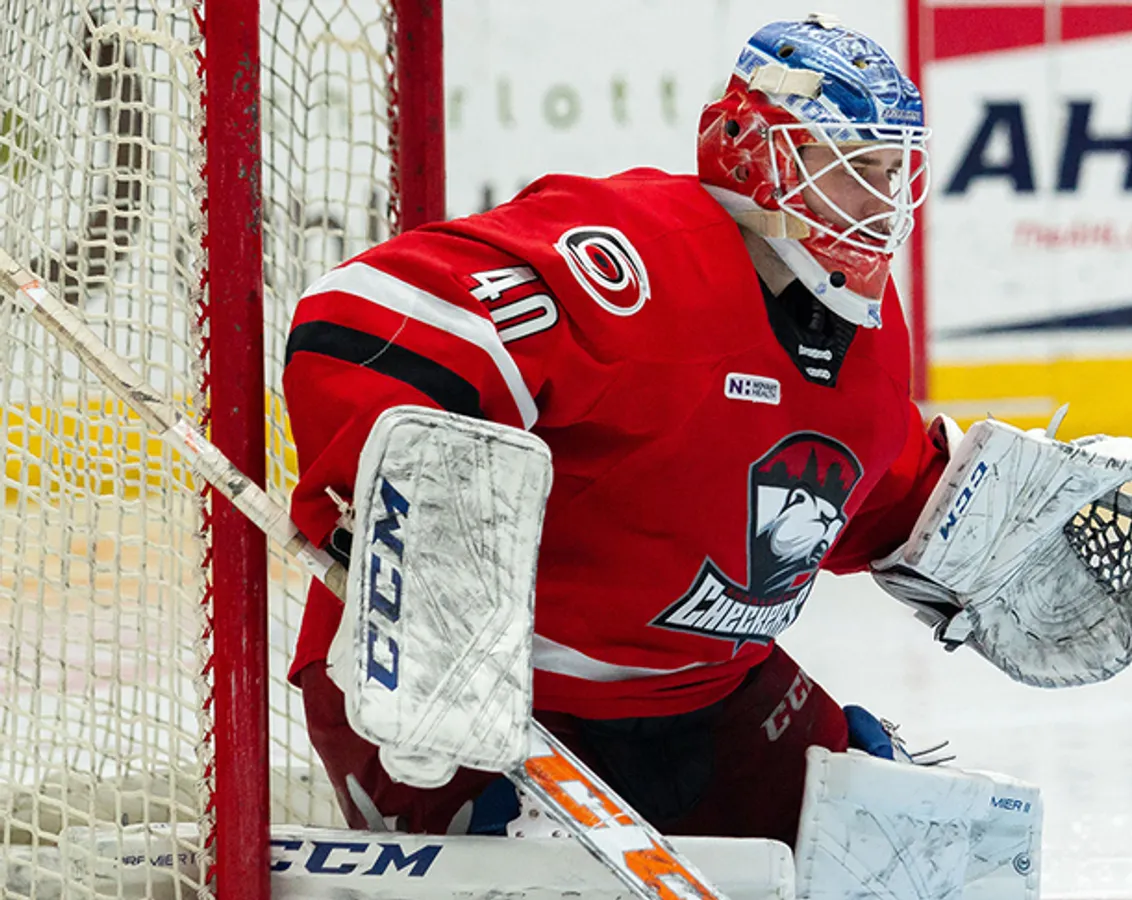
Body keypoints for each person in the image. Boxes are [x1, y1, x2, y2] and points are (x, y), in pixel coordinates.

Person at [282, 15, 946, 847]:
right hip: (480, 691)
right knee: (533, 870)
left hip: (707, 693)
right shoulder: (638, 258)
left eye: (893, 172)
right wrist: (405, 527)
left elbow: (862, 484)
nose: (881, 205)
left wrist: (968, 523)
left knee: (882, 843)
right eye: (853, 171)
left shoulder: (869, 331)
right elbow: (367, 320)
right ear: (756, 154)